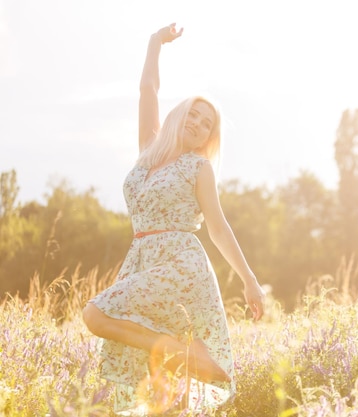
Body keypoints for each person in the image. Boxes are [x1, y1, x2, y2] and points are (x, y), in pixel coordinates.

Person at [82, 23, 266, 414]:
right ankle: (187, 356)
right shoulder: (148, 150)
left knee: (94, 314)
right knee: (141, 371)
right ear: (181, 112)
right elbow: (148, 90)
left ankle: (188, 355)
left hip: (180, 263)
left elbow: (217, 227)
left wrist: (249, 280)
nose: (197, 124)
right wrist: (154, 44)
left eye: (206, 125)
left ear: (208, 138)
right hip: (141, 258)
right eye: (195, 115)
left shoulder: (198, 168)